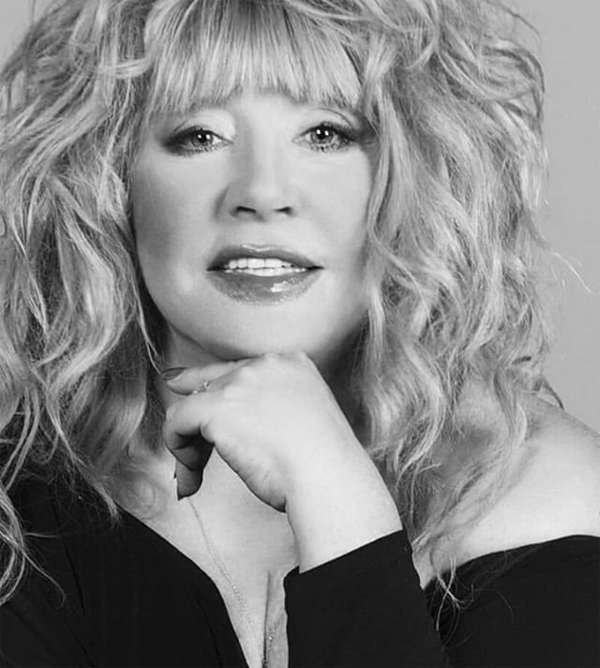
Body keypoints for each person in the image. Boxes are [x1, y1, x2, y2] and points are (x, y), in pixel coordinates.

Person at [0, 0, 598, 666]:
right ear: (110, 182)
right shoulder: (17, 514)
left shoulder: (546, 500)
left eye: (324, 133)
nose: (261, 192)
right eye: (200, 135)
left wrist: (339, 506)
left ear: (420, 172)